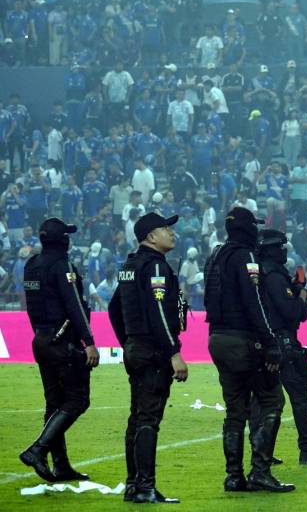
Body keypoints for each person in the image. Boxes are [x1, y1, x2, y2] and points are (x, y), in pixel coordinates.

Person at [204, 206, 294, 493]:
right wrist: (270, 343)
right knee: (271, 401)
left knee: (235, 410)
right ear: (247, 229)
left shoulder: (215, 256)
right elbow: (254, 302)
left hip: (217, 337)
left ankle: (233, 476)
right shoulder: (246, 257)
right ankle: (260, 471)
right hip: (243, 340)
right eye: (254, 226)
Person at [107, 212, 187, 503]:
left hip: (136, 348)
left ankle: (133, 485)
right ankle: (145, 487)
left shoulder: (130, 265)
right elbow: (159, 312)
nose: (172, 233)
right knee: (148, 419)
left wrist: (128, 341)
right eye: (166, 229)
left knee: (137, 417)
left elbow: (113, 308)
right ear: (151, 236)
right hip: (153, 352)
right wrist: (174, 352)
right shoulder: (155, 266)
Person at [19, 218, 99, 483]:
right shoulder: (62, 265)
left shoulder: (32, 264)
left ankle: (61, 465)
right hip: (63, 341)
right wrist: (89, 341)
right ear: (62, 239)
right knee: (78, 400)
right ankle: (37, 450)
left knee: (54, 403)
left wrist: (42, 332)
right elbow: (74, 304)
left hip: (41, 338)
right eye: (67, 235)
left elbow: (31, 305)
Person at [256, 229, 307, 465]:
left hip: (264, 341)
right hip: (283, 341)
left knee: (266, 401)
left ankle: (262, 452)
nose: (284, 251)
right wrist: (300, 296)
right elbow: (292, 312)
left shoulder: (258, 274)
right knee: (299, 397)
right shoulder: (274, 276)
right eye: (281, 247)